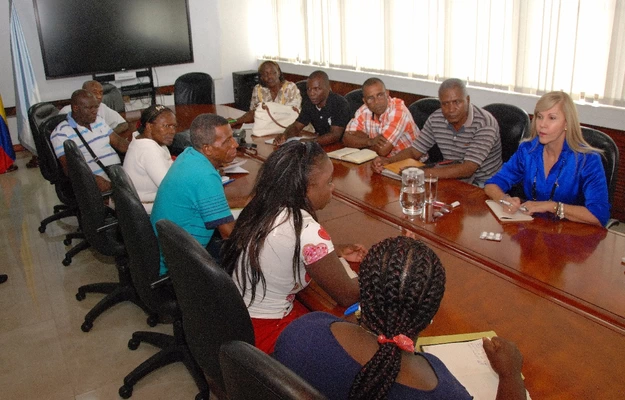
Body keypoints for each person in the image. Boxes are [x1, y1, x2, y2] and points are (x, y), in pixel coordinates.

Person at [274, 236, 526, 400]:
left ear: (363, 292)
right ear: (430, 317)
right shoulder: (439, 388)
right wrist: (510, 375)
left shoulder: (303, 331)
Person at [222, 141, 364, 354]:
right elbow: (348, 295)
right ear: (307, 187)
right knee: (358, 335)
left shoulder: (262, 206)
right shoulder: (306, 230)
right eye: (329, 182)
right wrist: (380, 271)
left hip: (237, 320)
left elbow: (284, 243)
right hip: (266, 336)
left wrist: (333, 250)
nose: (333, 187)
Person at [485, 91, 609, 226]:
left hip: (571, 234)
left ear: (567, 123)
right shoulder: (528, 150)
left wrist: (551, 206)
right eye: (539, 117)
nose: (542, 124)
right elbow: (493, 183)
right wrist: (504, 199)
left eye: (552, 118)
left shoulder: (588, 160)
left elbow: (599, 215)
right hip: (532, 228)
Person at [150, 114, 238, 275]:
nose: (235, 144)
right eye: (227, 141)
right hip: (179, 267)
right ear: (207, 149)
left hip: (164, 251)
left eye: (233, 138)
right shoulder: (205, 176)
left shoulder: (189, 155)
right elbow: (229, 235)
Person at [372, 78, 502, 187]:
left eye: (456, 102)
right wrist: (390, 161)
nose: (451, 109)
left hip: (485, 185)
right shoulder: (436, 118)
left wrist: (420, 174)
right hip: (451, 179)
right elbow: (414, 151)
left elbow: (468, 168)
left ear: (467, 100)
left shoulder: (485, 123)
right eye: (445, 104)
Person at [51, 89, 129, 192]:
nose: (94, 111)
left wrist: (140, 146)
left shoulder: (99, 121)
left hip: (119, 175)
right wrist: (94, 180)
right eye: (90, 108)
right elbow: (71, 169)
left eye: (96, 107)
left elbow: (119, 143)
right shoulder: (61, 133)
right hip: (97, 183)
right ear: (76, 108)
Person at [343, 78, 419, 157]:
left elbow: (382, 150)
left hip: (411, 163)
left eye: (380, 95)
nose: (376, 102)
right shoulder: (363, 110)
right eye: (370, 98)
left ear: (387, 94)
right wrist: (370, 141)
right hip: (381, 161)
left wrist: (359, 142)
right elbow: (346, 139)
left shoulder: (398, 110)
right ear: (365, 101)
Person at [122, 105, 176, 214]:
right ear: (149, 126)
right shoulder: (148, 149)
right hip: (148, 210)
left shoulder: (141, 140)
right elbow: (171, 189)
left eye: (174, 126)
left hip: (144, 203)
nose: (172, 131)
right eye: (166, 126)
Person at [274, 71, 350, 146]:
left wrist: (309, 142)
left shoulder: (339, 103)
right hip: (320, 144)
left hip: (342, 147)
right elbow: (296, 126)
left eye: (316, 89)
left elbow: (335, 135)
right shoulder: (309, 103)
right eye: (309, 89)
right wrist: (285, 135)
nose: (311, 93)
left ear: (328, 88)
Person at [231, 61, 302, 125]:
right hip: (268, 128)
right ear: (261, 77)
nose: (270, 77)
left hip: (291, 127)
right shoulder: (258, 89)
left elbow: (292, 113)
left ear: (279, 73)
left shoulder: (290, 88)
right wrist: (235, 121)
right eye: (265, 74)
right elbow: (253, 113)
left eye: (273, 73)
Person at [60, 80, 129, 134]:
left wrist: (108, 135)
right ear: (85, 93)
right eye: (95, 92)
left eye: (101, 93)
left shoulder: (101, 106)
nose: (99, 96)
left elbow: (123, 124)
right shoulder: (66, 111)